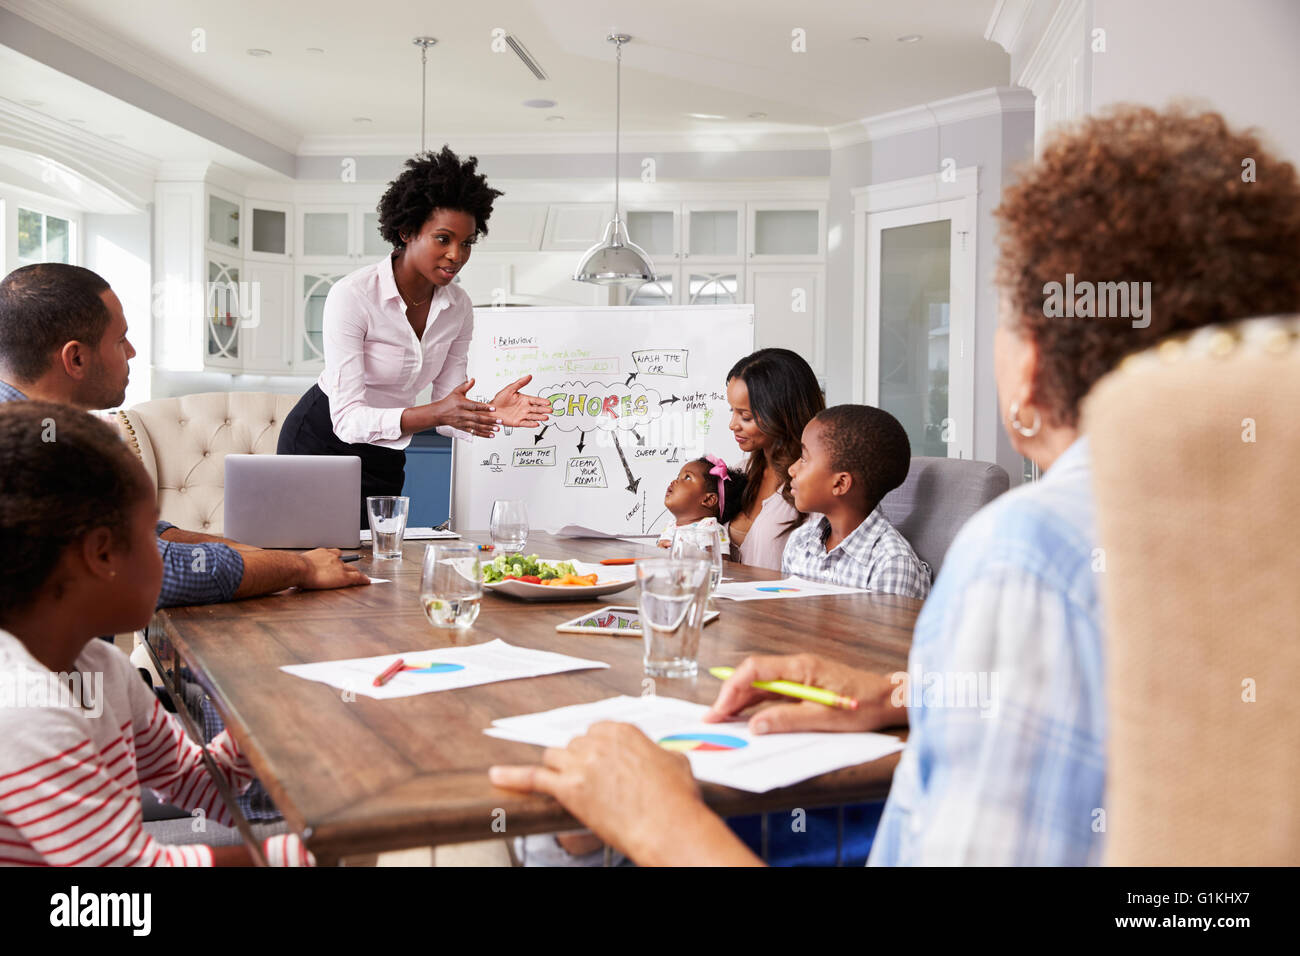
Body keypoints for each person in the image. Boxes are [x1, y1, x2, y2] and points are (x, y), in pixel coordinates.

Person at [488, 105, 1300, 865]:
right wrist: (903, 692)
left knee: (566, 836)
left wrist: (663, 826)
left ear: (1031, 363)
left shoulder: (1035, 548)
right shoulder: (1249, 529)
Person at [0, 401, 313, 865]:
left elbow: (197, 781)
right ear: (101, 555)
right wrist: (310, 856)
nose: (167, 554)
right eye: (153, 536)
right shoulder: (25, 709)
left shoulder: (102, 667)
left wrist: (262, 704)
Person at [0, 263, 369, 605]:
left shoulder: (46, 431)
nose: (131, 351)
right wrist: (301, 569)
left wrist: (254, 552)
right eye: (120, 340)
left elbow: (140, 532)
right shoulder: (27, 451)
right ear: (75, 358)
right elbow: (155, 572)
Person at [276, 146, 552, 526]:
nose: (456, 254)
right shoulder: (353, 296)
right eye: (443, 238)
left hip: (386, 452)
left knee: (378, 563)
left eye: (467, 242)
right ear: (406, 232)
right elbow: (348, 421)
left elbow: (445, 410)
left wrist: (492, 414)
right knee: (315, 565)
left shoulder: (458, 307)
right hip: (321, 444)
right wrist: (438, 411)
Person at [783, 405, 929, 599]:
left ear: (841, 483)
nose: (791, 470)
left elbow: (883, 631)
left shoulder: (891, 563)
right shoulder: (799, 542)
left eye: (803, 458)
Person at [724, 348, 825, 569]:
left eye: (745, 416)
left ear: (781, 413)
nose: (733, 424)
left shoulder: (817, 486)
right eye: (732, 411)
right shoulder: (741, 473)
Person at [656, 455, 746, 549]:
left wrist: (688, 556)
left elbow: (721, 560)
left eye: (687, 478)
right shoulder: (670, 526)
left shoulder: (710, 529)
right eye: (678, 477)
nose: (674, 481)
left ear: (708, 499)